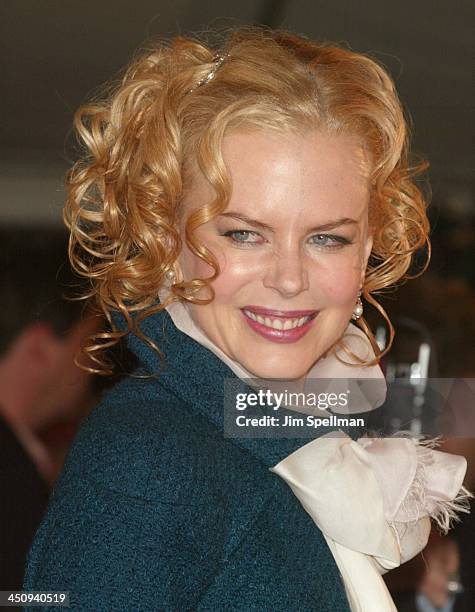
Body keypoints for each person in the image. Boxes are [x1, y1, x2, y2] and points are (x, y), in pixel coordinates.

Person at [24, 27, 471, 611]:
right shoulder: (155, 456)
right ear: (165, 236)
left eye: (327, 239)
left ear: (367, 253)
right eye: (243, 234)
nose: (289, 278)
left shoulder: (290, 423)